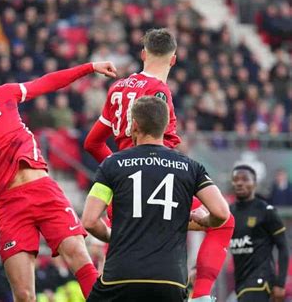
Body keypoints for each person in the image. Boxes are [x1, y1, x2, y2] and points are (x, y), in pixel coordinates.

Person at [0, 53, 117, 301]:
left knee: (78, 254)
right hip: (7, 206)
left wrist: (90, 67)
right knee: (23, 294)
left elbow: (47, 82)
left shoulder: (3, 93)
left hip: (43, 189)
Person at [83, 28, 235, 301]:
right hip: (157, 182)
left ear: (143, 54)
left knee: (126, 242)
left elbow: (92, 143)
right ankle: (200, 296)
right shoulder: (159, 92)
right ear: (173, 59)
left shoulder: (117, 88)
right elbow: (162, 148)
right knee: (223, 222)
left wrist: (115, 170)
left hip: (123, 185)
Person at [230, 165, 289, 302]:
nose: (239, 183)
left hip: (261, 280)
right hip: (240, 282)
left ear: (254, 184)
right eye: (236, 179)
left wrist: (280, 283)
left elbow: (283, 247)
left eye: (245, 179)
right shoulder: (228, 212)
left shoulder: (265, 211)